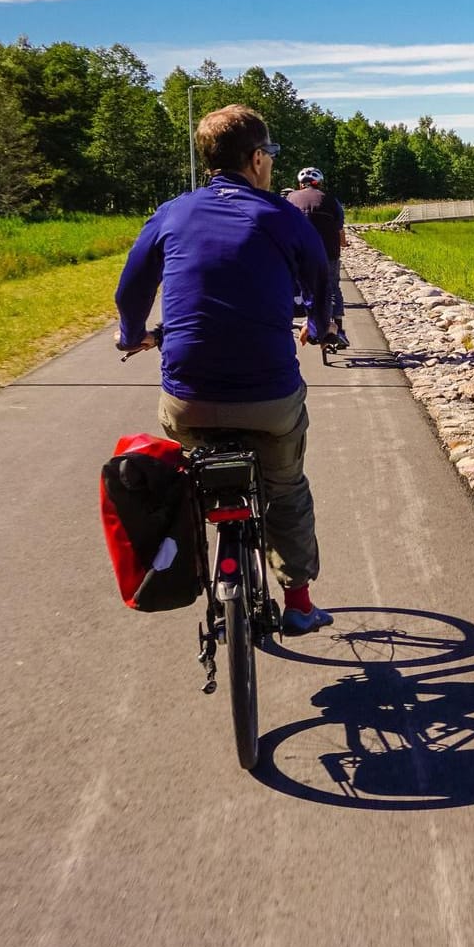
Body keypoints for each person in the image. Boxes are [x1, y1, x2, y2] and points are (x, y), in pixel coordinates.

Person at [114, 103, 335, 636]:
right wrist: (320, 326)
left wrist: (131, 335)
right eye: (270, 156)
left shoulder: (171, 213)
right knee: (285, 488)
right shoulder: (282, 215)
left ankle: (187, 559)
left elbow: (131, 290)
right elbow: (322, 284)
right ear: (257, 158)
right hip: (270, 397)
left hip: (188, 397)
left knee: (187, 481)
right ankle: (299, 604)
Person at [282, 166, 350, 349]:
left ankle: (300, 322)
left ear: (299, 184)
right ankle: (339, 331)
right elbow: (339, 229)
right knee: (333, 287)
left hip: (299, 253)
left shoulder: (290, 199)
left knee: (296, 285)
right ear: (319, 183)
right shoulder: (331, 201)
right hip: (328, 253)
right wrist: (343, 244)